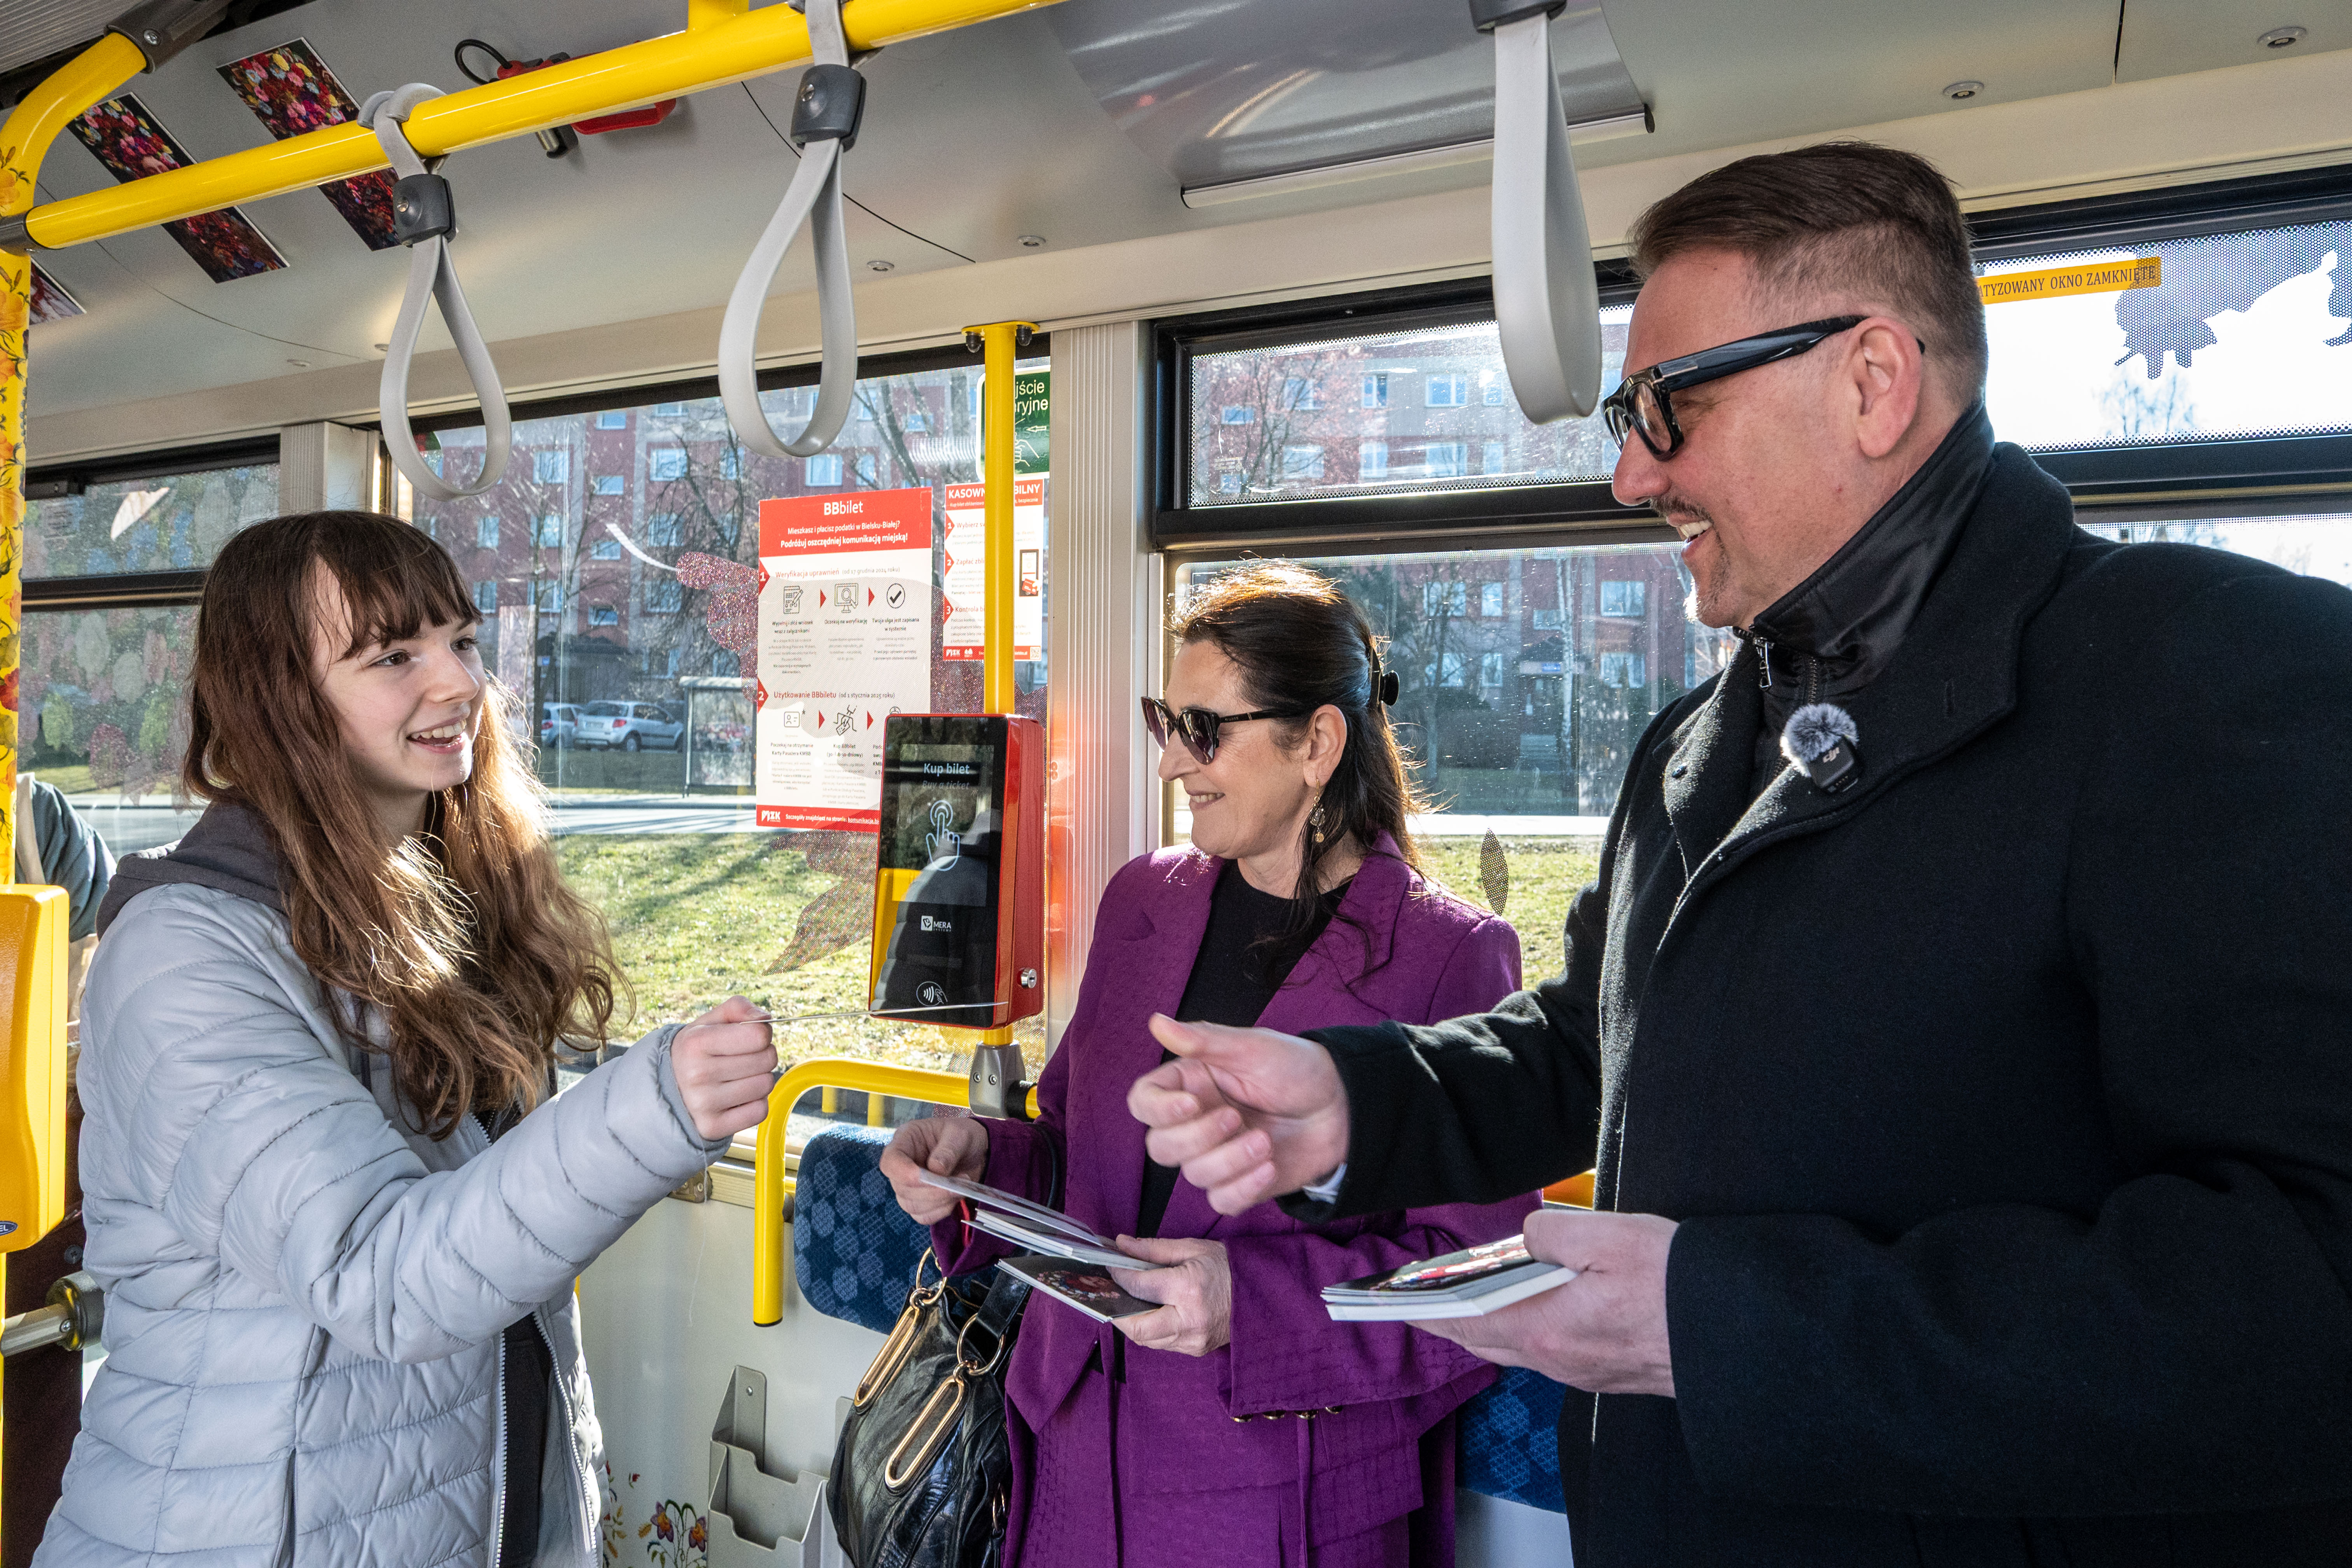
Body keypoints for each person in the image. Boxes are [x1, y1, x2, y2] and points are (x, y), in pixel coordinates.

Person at [1129, 142, 2352, 1566]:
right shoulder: (1704, 738)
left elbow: (2309, 1279)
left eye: (1669, 408)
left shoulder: (2212, 679)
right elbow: (1602, 1046)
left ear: (1872, 382)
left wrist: (1718, 1327)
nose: (1631, 475)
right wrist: (1355, 1105)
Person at [37, 513, 779, 1568]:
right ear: (278, 696)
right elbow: (381, 1276)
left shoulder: (433, 908)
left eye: (461, 643)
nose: (460, 683)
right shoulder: (181, 956)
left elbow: (493, 1240)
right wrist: (654, 1110)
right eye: (394, 657)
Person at [880, 563, 1535, 1568]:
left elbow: (1477, 1291)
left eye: (1207, 731)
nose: (1170, 765)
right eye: (1166, 722)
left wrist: (1251, 1306)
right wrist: (982, 1166)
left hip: (1279, 1514)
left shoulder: (1450, 959)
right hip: (1067, 1469)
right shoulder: (1141, 903)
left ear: (1318, 744)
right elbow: (1072, 1152)